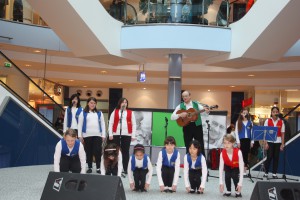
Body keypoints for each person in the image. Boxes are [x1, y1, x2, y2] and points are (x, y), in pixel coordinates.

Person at [171, 90, 209, 154]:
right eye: (183, 96)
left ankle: (202, 161)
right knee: (188, 145)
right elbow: (172, 117)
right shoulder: (180, 106)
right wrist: (180, 115)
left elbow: (204, 114)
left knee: (200, 145)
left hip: (197, 126)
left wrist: (207, 112)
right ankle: (188, 161)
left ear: (190, 96)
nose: (184, 98)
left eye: (186, 96)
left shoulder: (196, 104)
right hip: (186, 127)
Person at [78, 97, 106, 174]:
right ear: (88, 103)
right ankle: (89, 167)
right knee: (88, 152)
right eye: (91, 103)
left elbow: (103, 124)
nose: (92, 104)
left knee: (97, 152)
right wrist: (80, 136)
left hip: (98, 135)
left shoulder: (99, 113)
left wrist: (103, 135)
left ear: (96, 104)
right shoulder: (83, 113)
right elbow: (79, 125)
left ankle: (98, 167)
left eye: (94, 103)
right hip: (86, 136)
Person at [108, 97, 136, 175]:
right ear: (120, 103)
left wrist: (133, 135)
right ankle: (115, 168)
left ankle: (125, 168)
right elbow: (111, 123)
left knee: (125, 151)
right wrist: (110, 134)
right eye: (123, 102)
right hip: (116, 134)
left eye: (126, 102)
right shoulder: (115, 111)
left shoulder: (130, 112)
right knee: (116, 151)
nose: (124, 104)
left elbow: (134, 124)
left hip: (127, 134)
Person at [263, 106, 285, 179]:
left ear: (278, 113)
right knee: (269, 157)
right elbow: (265, 132)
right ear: (271, 113)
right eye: (273, 112)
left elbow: (282, 134)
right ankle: (266, 172)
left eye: (276, 112)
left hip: (278, 142)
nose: (275, 113)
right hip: (269, 141)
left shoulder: (281, 122)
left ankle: (274, 173)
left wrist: (282, 144)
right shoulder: (267, 121)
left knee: (276, 158)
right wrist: (265, 143)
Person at [234, 108, 253, 176]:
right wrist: (238, 142)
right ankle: (240, 170)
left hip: (247, 140)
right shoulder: (238, 122)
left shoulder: (250, 122)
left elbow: (252, 132)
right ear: (241, 114)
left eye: (246, 113)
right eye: (244, 113)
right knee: (240, 155)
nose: (245, 114)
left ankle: (245, 170)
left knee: (246, 155)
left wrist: (252, 141)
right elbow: (236, 132)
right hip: (241, 140)